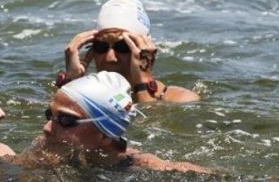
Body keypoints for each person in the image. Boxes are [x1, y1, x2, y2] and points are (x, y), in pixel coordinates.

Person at [33, 71, 211, 173]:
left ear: (105, 134)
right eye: (50, 114)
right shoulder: (45, 151)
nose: (47, 128)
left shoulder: (148, 168)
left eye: (65, 120)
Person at [61, 0, 200, 103]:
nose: (110, 58)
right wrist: (71, 82)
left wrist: (142, 84)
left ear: (146, 50)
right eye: (101, 46)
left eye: (123, 46)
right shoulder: (84, 97)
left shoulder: (181, 99)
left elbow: (149, 132)